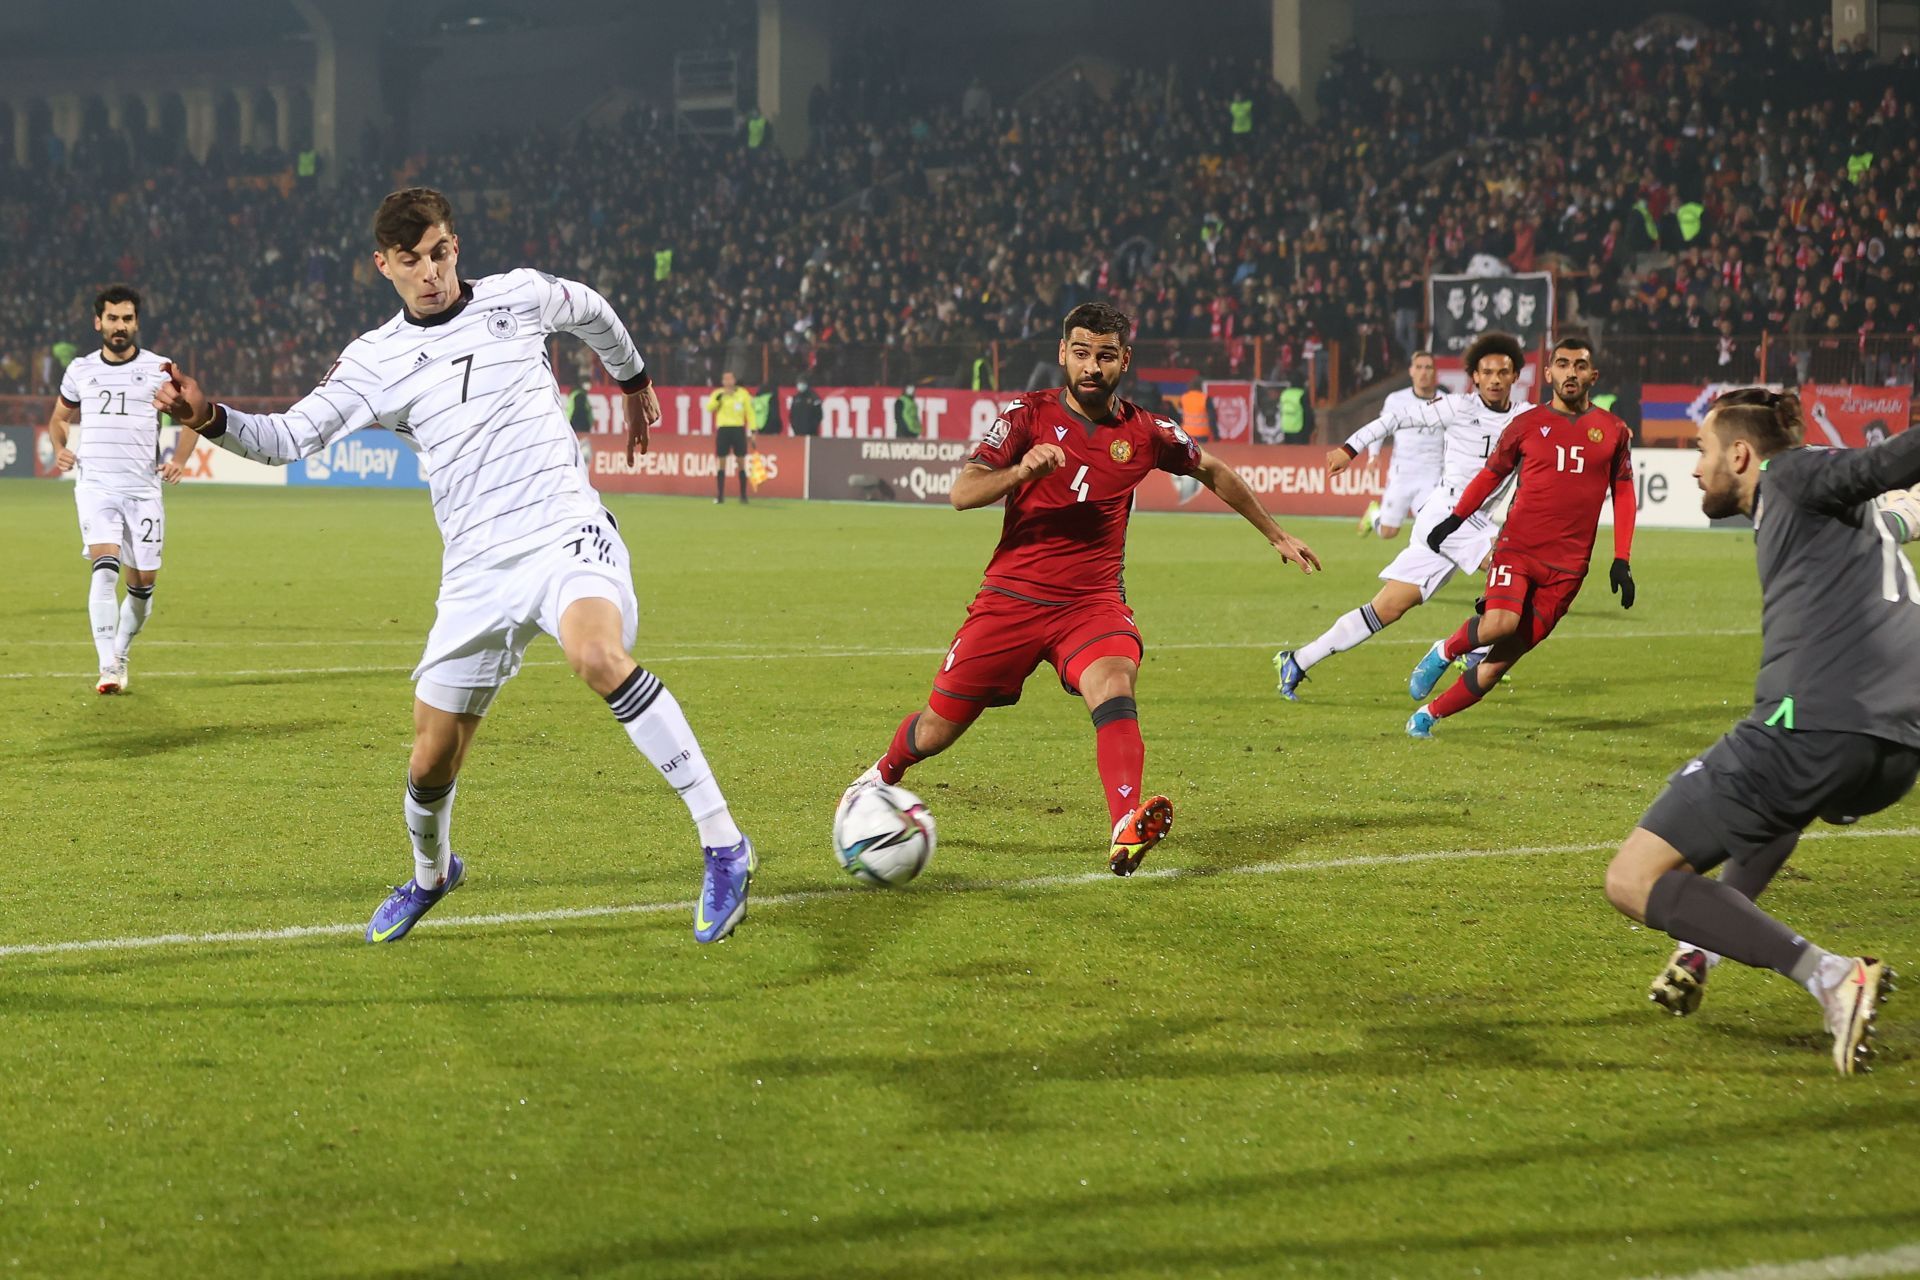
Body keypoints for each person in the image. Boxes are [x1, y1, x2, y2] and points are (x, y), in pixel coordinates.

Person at [151, 187, 755, 946]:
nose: (431, 273)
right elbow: (288, 438)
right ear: (384, 266)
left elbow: (593, 309)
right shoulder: (374, 361)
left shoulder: (520, 297)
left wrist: (631, 379)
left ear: (455, 246)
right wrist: (208, 419)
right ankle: (432, 875)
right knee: (431, 759)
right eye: (412, 262)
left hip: (562, 530)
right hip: (474, 572)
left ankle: (724, 843)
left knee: (596, 654)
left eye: (440, 254)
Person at [841, 303, 1321, 875]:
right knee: (938, 726)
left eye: (1106, 356)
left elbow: (1212, 469)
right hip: (1011, 600)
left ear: (1125, 360)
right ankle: (877, 778)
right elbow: (962, 493)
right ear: (1063, 354)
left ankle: (1124, 824)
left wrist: (1275, 533)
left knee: (1115, 681)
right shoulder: (1027, 415)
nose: (1092, 367)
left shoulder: (1147, 432)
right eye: (1082, 354)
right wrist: (1022, 472)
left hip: (1091, 604)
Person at [1604, 388, 1920, 1076]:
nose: (1694, 469)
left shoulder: (1793, 474)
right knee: (1778, 808)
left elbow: (1888, 462)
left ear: (1741, 455)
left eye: (1702, 452)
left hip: (1815, 723)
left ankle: (1832, 976)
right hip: (1892, 747)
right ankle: (1704, 944)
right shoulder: (1819, 511)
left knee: (1632, 878)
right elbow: (1887, 511)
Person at [1274, 332, 1533, 702]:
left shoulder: (1527, 417)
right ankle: (1467, 651)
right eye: (1486, 372)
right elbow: (1394, 420)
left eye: (1502, 372)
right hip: (1448, 514)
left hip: (1468, 524)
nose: (1494, 379)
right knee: (1518, 574)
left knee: (1387, 608)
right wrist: (1350, 449)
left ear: (1514, 377)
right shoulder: (1457, 407)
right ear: (1474, 377)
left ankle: (1298, 660)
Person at [1403, 335, 1637, 737]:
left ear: (1592, 376)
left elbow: (1625, 494)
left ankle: (1428, 716)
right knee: (1499, 623)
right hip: (1518, 550)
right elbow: (1491, 475)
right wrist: (1456, 519)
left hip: (1568, 568)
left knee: (1497, 665)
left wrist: (1621, 558)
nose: (1571, 372)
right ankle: (1444, 650)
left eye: (1580, 366)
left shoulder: (1613, 431)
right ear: (1548, 373)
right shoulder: (1526, 425)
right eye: (1562, 364)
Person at [45, 285, 202, 694]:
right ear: (98, 322)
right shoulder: (80, 370)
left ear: (136, 323)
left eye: (127, 319)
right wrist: (60, 447)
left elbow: (192, 417)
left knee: (142, 586)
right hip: (96, 485)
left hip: (143, 489)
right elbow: (59, 418)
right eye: (112, 319)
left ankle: (121, 651)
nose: (120, 326)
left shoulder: (160, 369)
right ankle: (107, 666)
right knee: (104, 568)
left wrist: (180, 460)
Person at [1355, 351, 1445, 540]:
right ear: (1411, 371)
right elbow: (1380, 429)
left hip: (1432, 474)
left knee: (1432, 526)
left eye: (1428, 367)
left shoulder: (1447, 402)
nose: (1423, 372)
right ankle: (1374, 515)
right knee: (1388, 533)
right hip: (1402, 473)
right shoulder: (1396, 400)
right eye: (1419, 367)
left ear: (1434, 372)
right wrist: (1373, 455)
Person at [706, 370, 753, 503]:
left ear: (734, 380)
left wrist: (753, 430)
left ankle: (743, 495)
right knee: (721, 462)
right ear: (722, 382)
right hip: (723, 429)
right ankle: (720, 495)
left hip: (738, 429)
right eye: (725, 379)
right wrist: (719, 399)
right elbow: (709, 408)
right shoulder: (718, 394)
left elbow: (750, 413)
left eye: (730, 379)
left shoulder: (743, 394)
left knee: (741, 462)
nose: (728, 382)